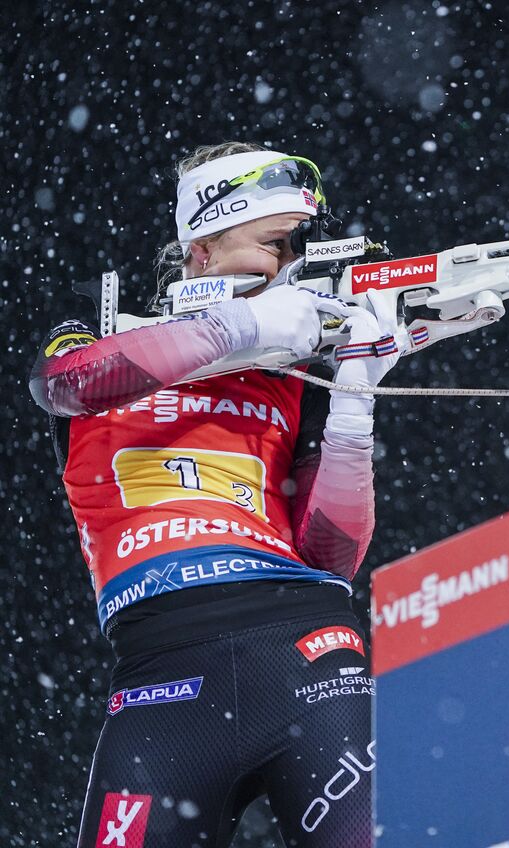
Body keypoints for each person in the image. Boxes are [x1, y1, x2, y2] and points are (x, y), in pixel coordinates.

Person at [29, 142, 399, 847]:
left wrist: (353, 400)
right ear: (201, 246)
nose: (293, 263)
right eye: (274, 243)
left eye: (301, 247)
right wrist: (243, 325)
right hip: (159, 676)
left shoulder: (297, 374)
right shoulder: (102, 330)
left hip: (304, 645)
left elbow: (331, 554)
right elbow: (62, 385)